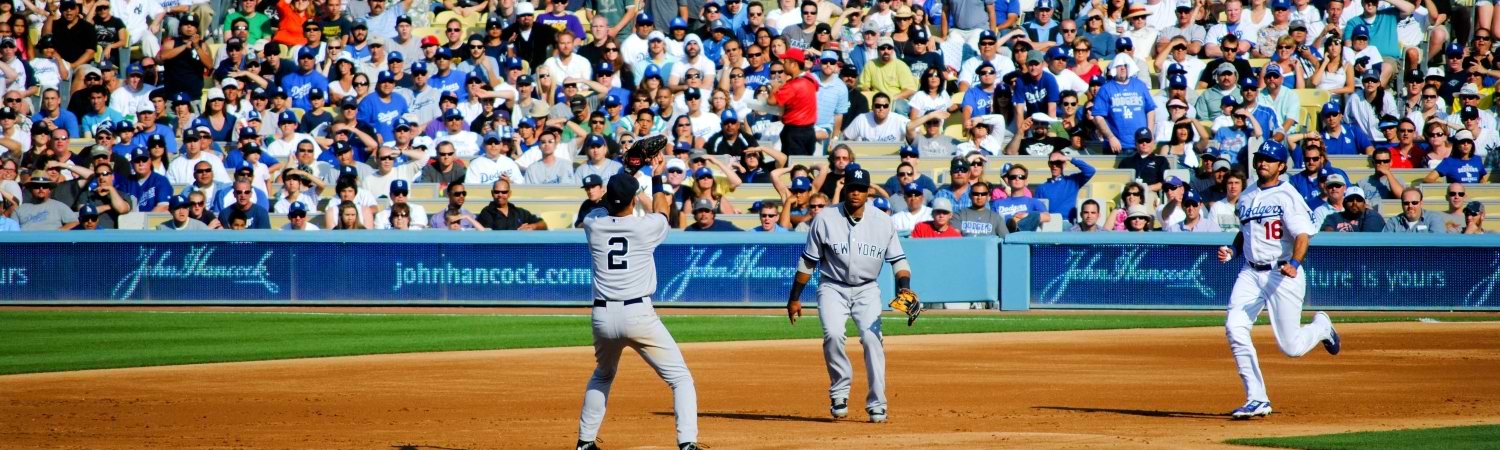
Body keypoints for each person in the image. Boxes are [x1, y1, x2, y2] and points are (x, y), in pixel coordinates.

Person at [1217, 141, 1341, 420]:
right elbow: (1245, 232)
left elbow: (1302, 235)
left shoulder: (1288, 195)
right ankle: (1257, 398)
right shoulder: (1247, 196)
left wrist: (1295, 264)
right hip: (1250, 272)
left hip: (1281, 270)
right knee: (1234, 327)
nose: (1263, 162)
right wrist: (1233, 250)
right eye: (1260, 158)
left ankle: (1322, 326)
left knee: (1291, 347)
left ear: (1281, 166)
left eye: (1269, 159)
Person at [575, 173, 699, 450]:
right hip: (638, 314)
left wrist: (626, 170)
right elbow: (663, 209)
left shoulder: (593, 223)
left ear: (608, 197)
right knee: (680, 379)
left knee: (603, 375)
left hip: (602, 316)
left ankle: (585, 442)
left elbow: (603, 205)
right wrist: (656, 176)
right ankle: (687, 443)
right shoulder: (645, 227)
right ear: (634, 200)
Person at [786, 167, 909, 424]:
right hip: (832, 286)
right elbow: (808, 262)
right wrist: (794, 297)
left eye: (861, 189)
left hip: (867, 289)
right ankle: (839, 392)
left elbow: (898, 260)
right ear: (845, 189)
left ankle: (877, 403)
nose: (856, 193)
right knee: (833, 334)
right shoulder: (825, 219)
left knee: (872, 340)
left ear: (868, 192)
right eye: (852, 188)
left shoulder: (883, 221)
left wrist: (904, 287)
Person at [768, 47, 818, 155]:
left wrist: (774, 87)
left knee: (793, 163)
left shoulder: (792, 86)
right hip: (810, 131)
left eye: (785, 61)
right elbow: (816, 86)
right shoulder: (810, 79)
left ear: (794, 64)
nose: (783, 64)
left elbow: (771, 101)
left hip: (795, 133)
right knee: (805, 163)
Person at [478, 179, 548, 231]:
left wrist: (532, 226)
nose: (500, 195)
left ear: (509, 194)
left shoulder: (520, 212)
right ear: (492, 193)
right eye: (497, 192)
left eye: (504, 192)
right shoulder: (486, 213)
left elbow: (543, 224)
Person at [1384, 189, 1448, 233]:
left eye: (1414, 202)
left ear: (1421, 203)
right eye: (1406, 203)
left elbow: (1437, 245)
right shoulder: (1393, 222)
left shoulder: (1434, 218)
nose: (1410, 206)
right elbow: (1385, 244)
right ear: (1402, 204)